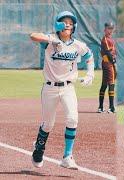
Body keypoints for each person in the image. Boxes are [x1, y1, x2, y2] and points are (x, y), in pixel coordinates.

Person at [30, 11, 94, 169]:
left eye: (70, 23)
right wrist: (51, 39)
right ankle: (39, 148)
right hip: (49, 88)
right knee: (48, 124)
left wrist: (90, 74)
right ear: (58, 24)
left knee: (73, 118)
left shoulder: (78, 45)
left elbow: (90, 57)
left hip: (68, 88)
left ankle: (67, 156)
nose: (67, 25)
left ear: (74, 27)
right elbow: (33, 35)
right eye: (64, 22)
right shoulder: (50, 41)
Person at [98, 21, 117, 113]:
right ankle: (111, 107)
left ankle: (101, 107)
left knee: (104, 84)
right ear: (104, 29)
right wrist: (113, 62)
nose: (110, 30)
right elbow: (108, 53)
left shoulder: (110, 39)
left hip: (107, 63)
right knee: (111, 84)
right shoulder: (105, 39)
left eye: (111, 28)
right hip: (108, 63)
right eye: (108, 28)